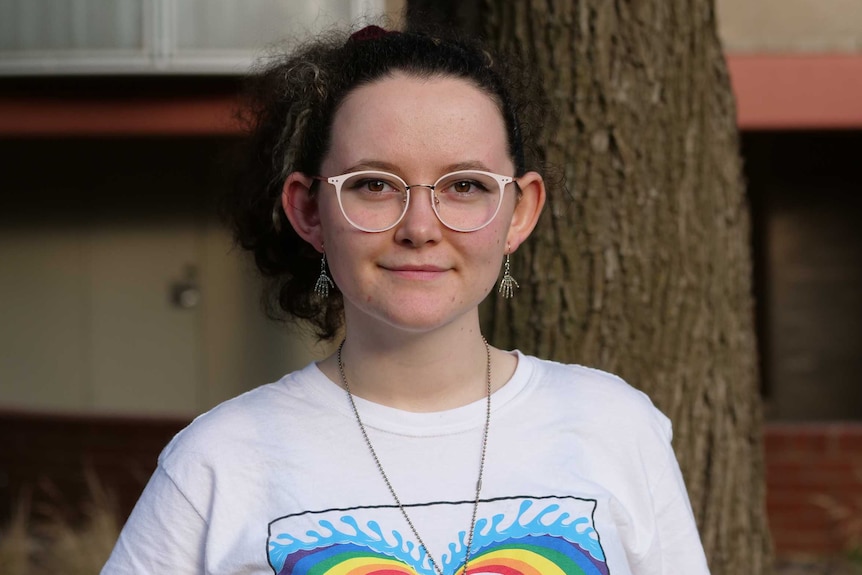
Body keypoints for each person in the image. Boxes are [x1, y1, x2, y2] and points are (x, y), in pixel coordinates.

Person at [102, 23, 710, 575]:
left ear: (518, 212)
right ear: (310, 210)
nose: (420, 226)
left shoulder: (618, 427)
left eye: (465, 185)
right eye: (374, 185)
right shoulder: (217, 463)